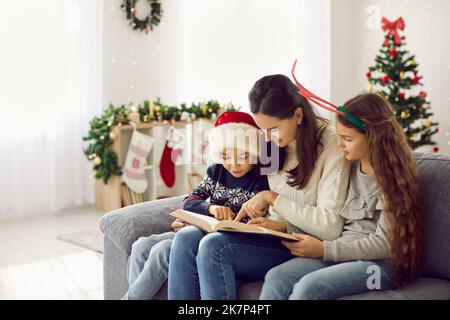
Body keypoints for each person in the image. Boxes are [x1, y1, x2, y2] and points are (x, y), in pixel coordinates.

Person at [168, 69, 351, 300]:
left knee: (215, 248)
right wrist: (203, 214)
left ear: (298, 115)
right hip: (265, 233)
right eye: (262, 129)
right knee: (187, 238)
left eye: (273, 129)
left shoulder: (332, 148)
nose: (267, 137)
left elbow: (331, 226)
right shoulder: (270, 145)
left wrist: (273, 200)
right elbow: (235, 182)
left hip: (295, 243)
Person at [260, 93, 426, 300]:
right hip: (342, 254)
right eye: (339, 137)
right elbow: (331, 218)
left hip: (379, 267)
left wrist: (324, 249)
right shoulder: (351, 166)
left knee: (308, 288)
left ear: (373, 137)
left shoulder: (393, 178)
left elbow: (384, 245)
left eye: (347, 139)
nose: (339, 145)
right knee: (276, 277)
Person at [121, 111, 270, 300]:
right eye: (225, 156)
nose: (233, 165)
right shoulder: (217, 171)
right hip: (200, 230)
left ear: (254, 151)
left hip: (218, 240)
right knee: (141, 245)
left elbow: (249, 226)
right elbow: (189, 201)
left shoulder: (260, 181)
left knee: (163, 251)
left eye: (241, 157)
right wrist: (210, 208)